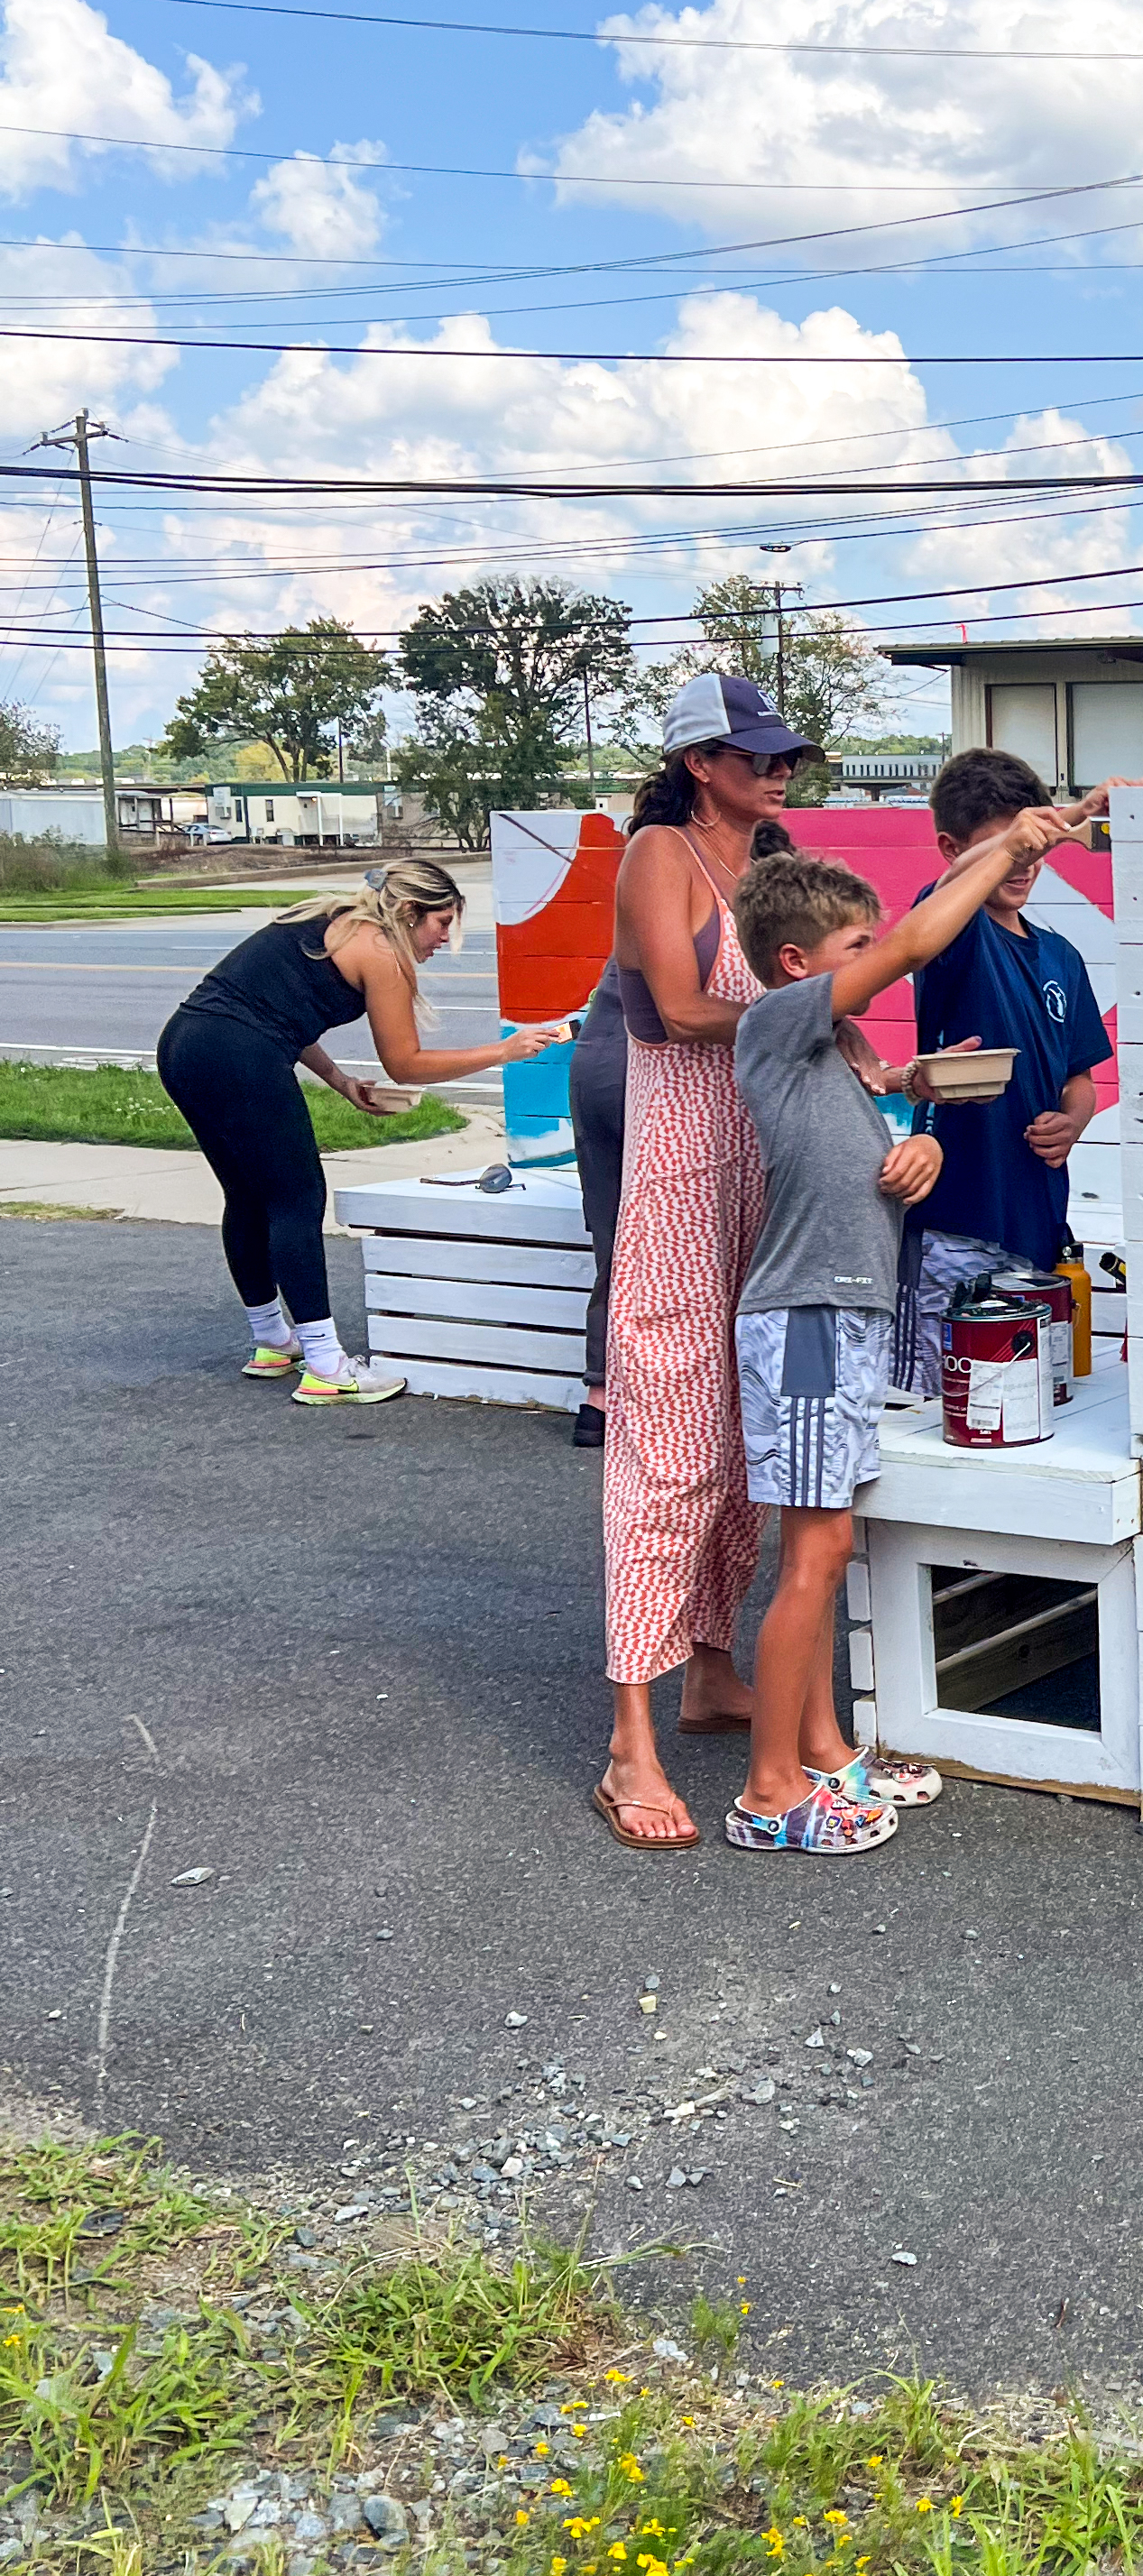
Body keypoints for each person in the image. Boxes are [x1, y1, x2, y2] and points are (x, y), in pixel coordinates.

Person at [720, 844, 1058, 1854]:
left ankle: (821, 1751)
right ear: (796, 964)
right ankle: (769, 1795)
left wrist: (923, 1138)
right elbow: (915, 942)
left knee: (826, 1549)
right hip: (809, 1323)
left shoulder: (839, 1056)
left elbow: (866, 1167)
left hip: (842, 1319)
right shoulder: (778, 1023)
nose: (879, 960)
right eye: (856, 947)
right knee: (813, 1554)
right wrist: (1011, 846)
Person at [595, 676, 811, 1847]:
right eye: (756, 756)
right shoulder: (658, 855)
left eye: (784, 757)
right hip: (682, 1176)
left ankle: (711, 1667)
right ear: (698, 763)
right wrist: (814, 1013)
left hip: (757, 1173)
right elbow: (679, 1011)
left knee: (741, 1443)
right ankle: (629, 1742)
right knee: (667, 1449)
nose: (778, 772)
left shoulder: (767, 861)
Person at [155, 854, 568, 1405]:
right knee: (297, 1200)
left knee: (249, 1197)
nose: (445, 938)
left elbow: (276, 1012)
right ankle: (326, 1366)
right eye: (442, 922)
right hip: (239, 1055)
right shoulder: (381, 952)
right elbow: (406, 1064)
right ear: (408, 910)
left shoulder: (331, 921)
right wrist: (505, 1051)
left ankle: (272, 1340)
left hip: (185, 1044)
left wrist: (340, 1081)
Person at [891, 748, 1116, 1395]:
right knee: (949, 1409)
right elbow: (943, 895)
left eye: (1035, 849)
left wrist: (1072, 1121)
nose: (1025, 864)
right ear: (952, 849)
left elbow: (1080, 1077)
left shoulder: (1062, 956)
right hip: (956, 1222)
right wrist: (1062, 820)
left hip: (1038, 1226)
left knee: (1030, 1408)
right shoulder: (953, 931)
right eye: (1009, 848)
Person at [567, 959, 627, 1451]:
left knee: (614, 1242)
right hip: (650, 1067)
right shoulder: (729, 920)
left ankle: (599, 1398)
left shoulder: (638, 924)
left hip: (597, 1059)